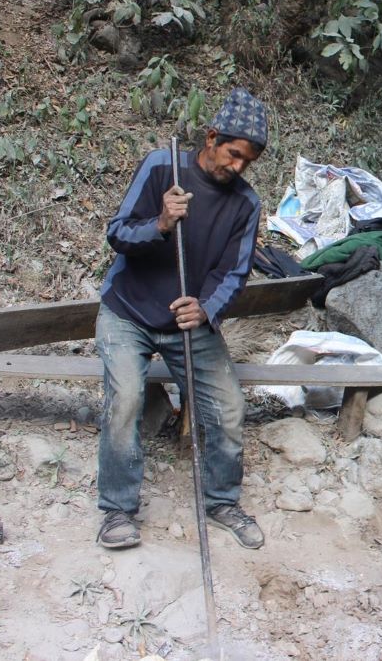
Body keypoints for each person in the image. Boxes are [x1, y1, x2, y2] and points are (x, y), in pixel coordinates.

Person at [95, 89, 268, 551]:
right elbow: (118, 233)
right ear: (212, 138)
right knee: (127, 398)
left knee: (229, 408)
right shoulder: (162, 167)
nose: (238, 168)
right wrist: (161, 224)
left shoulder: (246, 204)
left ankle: (221, 501)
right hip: (128, 312)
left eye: (247, 162)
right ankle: (117, 511)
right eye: (233, 155)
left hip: (187, 321)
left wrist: (206, 308)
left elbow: (234, 272)